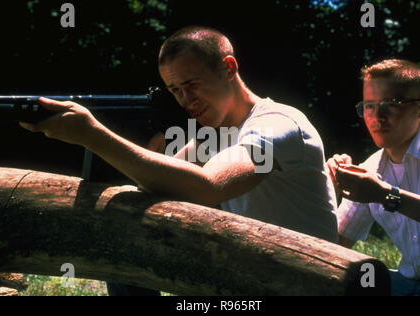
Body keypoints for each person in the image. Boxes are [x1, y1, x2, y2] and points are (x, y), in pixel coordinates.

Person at [20, 26, 338, 294]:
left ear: (229, 68)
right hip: (250, 285)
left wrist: (93, 135)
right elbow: (160, 179)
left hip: (303, 286)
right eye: (174, 90)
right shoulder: (213, 135)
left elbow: (208, 186)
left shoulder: (278, 125)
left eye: (191, 85)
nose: (185, 100)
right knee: (125, 235)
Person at [327, 59, 420, 296]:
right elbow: (332, 247)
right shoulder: (370, 169)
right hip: (411, 285)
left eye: (391, 104)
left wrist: (386, 195)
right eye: (369, 106)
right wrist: (328, 186)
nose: (376, 116)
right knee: (355, 278)